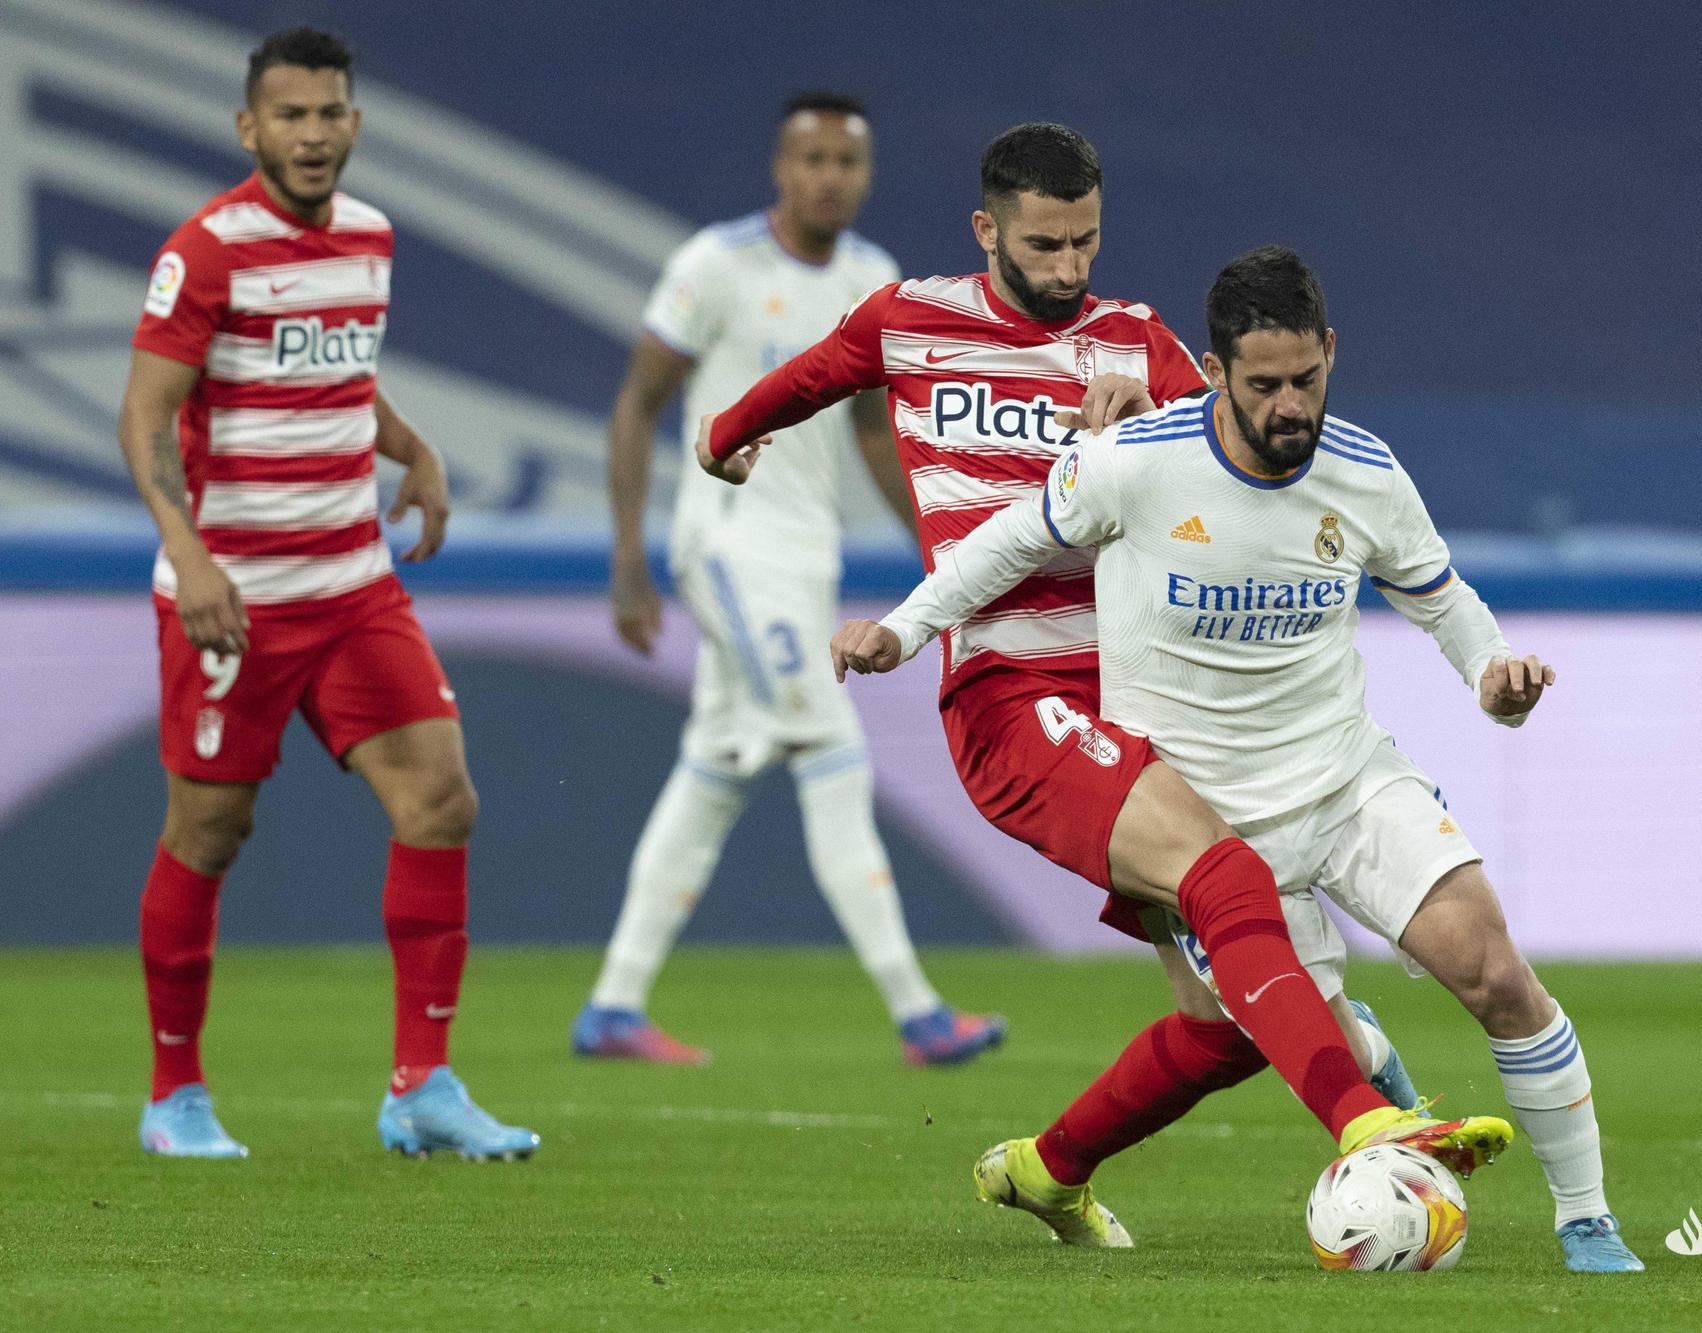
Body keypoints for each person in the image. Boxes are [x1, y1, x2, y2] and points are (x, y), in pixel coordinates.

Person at [698, 125, 1509, 1241]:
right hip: (1011, 692)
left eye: (1086, 239)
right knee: (1230, 880)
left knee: (1226, 1020)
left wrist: (1167, 445)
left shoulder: (1133, 344)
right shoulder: (910, 321)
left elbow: (1239, 445)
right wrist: (726, 435)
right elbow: (808, 379)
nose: (1070, 266)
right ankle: (1369, 1119)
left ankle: (1045, 1170)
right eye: (1044, 241)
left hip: (1141, 695)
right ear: (988, 230)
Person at [831, 246, 1645, 1274]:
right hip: (1205, 817)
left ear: (1330, 354)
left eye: (1306, 378)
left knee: (1490, 967)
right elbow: (1002, 544)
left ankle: (1585, 1221)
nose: (1288, 405)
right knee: (1266, 1035)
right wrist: (901, 634)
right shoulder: (1133, 462)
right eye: (1262, 385)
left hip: (1345, 780)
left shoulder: (1364, 469)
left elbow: (1438, 595)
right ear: (1211, 371)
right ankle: (1347, 1085)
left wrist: (1489, 675)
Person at [117, 27, 535, 1160]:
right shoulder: (205, 252)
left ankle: (423, 1085)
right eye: (289, 115)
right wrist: (191, 557)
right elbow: (145, 413)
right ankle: (175, 1095)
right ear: (249, 128)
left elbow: (336, 372)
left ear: (354, 123)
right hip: (233, 597)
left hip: (353, 583)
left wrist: (414, 448)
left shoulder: (368, 237)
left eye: (330, 112)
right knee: (209, 831)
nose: (313, 134)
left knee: (442, 800)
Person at [572, 93, 1004, 1067]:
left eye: (846, 161)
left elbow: (870, 434)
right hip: (725, 544)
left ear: (865, 173)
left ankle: (612, 1004)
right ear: (780, 166)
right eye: (810, 158)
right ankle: (916, 1009)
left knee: (716, 768)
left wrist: (940, 551)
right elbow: (638, 405)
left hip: (803, 556)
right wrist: (629, 559)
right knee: (830, 747)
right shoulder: (713, 266)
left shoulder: (871, 280)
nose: (828, 177)